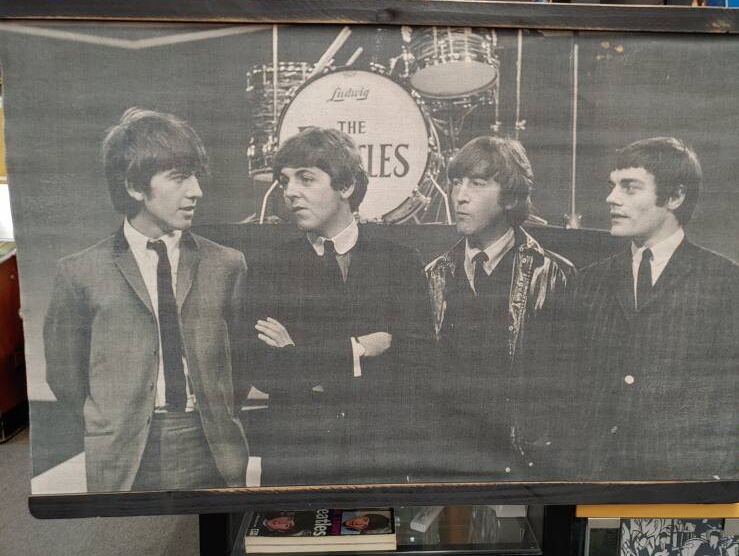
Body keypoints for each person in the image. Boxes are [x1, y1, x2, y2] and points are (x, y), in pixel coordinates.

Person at [44, 108, 249, 492]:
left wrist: (217, 410)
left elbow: (242, 362)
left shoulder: (227, 264)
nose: (196, 191)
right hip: (121, 455)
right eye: (179, 177)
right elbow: (65, 377)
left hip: (212, 447)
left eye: (196, 176)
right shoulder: (79, 272)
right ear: (135, 187)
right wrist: (111, 422)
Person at [248, 127, 433, 485]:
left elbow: (417, 367)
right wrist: (358, 350)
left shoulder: (400, 262)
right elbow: (264, 370)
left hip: (379, 460)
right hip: (297, 462)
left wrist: (297, 353)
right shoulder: (270, 265)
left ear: (346, 186)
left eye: (306, 179)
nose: (290, 192)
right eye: (285, 181)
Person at [574, 137, 739, 479]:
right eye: (612, 186)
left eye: (629, 187)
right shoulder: (588, 281)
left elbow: (727, 397)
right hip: (594, 475)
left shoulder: (726, 280)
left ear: (675, 197)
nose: (611, 198)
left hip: (680, 478)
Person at [425, 136, 574, 479]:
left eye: (477, 184)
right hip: (448, 463)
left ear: (510, 197)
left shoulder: (553, 275)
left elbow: (566, 392)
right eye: (457, 182)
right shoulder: (433, 275)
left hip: (523, 466)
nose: (460, 196)